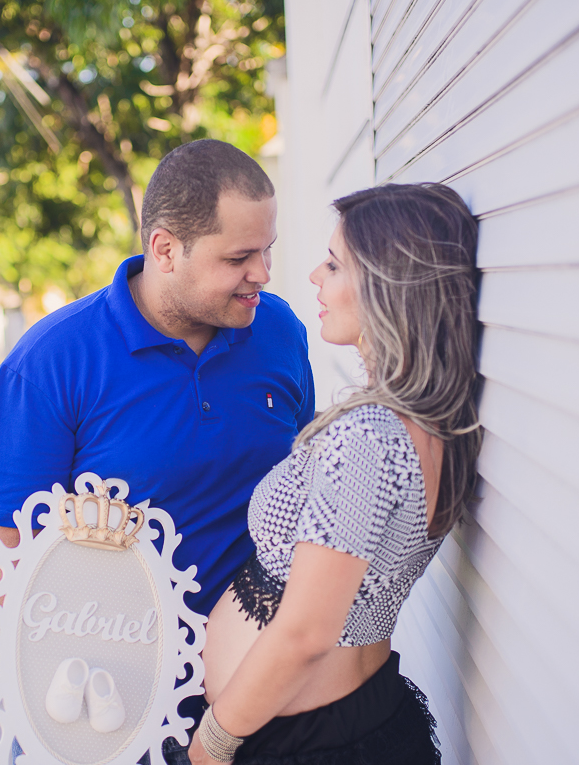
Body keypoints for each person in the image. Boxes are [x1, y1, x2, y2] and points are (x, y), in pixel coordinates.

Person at [0, 139, 315, 764]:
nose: (262, 274)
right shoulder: (50, 361)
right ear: (164, 249)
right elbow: (13, 564)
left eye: (268, 251)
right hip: (105, 714)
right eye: (239, 257)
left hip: (251, 708)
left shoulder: (281, 333)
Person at [190, 183, 481, 765]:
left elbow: (306, 633)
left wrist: (211, 744)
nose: (313, 279)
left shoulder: (370, 434)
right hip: (346, 722)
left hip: (304, 742)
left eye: (333, 264)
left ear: (387, 284)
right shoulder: (429, 419)